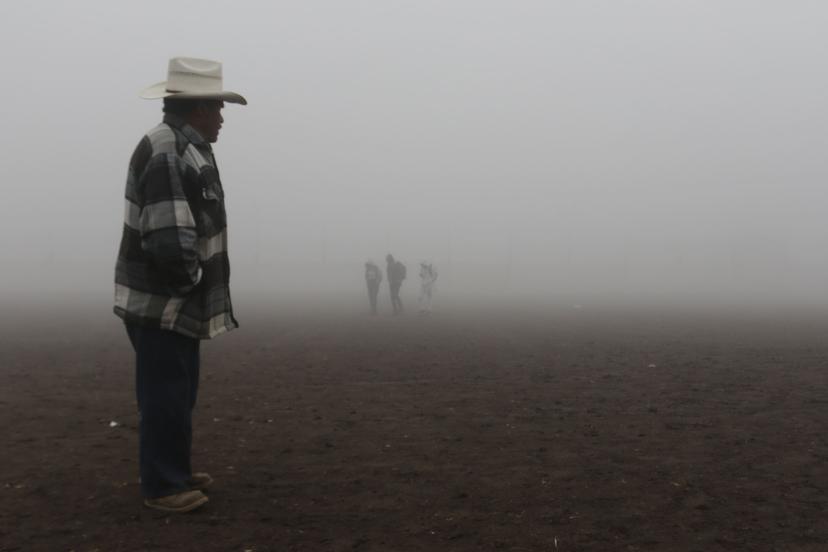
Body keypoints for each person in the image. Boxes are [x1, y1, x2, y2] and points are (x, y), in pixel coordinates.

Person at [113, 57, 247, 513]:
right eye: (218, 108)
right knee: (165, 393)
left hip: (173, 304)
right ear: (199, 108)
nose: (223, 118)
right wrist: (190, 282)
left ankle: (174, 469)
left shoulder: (182, 146)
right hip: (165, 303)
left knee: (177, 390)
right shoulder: (169, 150)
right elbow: (171, 238)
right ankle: (164, 485)